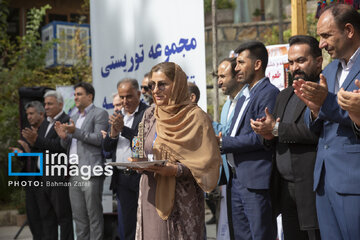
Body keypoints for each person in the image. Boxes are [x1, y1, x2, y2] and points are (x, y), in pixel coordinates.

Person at [292, 4, 360, 239]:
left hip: (353, 182)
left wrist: (327, 104)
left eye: (326, 35)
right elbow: (319, 127)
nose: (320, 44)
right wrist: (314, 111)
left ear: (349, 30)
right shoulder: (329, 72)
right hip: (323, 182)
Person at [132, 62, 221, 239]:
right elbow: (141, 148)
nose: (156, 90)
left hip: (182, 198)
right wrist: (137, 162)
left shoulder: (195, 117)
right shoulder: (150, 114)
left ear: (178, 84)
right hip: (151, 193)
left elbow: (208, 163)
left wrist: (176, 170)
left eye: (162, 84)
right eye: (152, 85)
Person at [251, 35, 322, 240]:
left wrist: (276, 129)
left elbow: (316, 132)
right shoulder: (284, 94)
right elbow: (275, 134)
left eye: (301, 60)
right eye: (291, 62)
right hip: (285, 189)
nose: (294, 67)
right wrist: (266, 132)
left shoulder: (323, 91)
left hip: (311, 189)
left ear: (318, 62)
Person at [219, 41, 279, 240]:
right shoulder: (245, 96)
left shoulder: (268, 93)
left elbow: (261, 137)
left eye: (240, 63)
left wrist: (223, 144)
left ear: (257, 65)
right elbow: (237, 134)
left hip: (255, 181)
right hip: (236, 179)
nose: (236, 68)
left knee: (260, 234)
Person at [55, 82, 108, 240]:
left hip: (90, 171)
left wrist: (75, 131)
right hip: (73, 173)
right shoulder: (74, 116)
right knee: (79, 218)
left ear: (89, 96)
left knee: (94, 217)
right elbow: (67, 144)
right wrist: (64, 137)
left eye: (79, 94)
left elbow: (99, 139)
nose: (75, 97)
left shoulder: (100, 113)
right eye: (75, 94)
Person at [22, 91, 74, 240]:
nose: (46, 107)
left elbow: (60, 146)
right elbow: (42, 147)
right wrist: (29, 148)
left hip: (58, 177)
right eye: (45, 104)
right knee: (47, 216)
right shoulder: (45, 123)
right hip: (43, 176)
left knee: (63, 217)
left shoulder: (66, 121)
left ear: (60, 104)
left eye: (50, 104)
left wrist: (37, 140)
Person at [103, 78, 148, 240]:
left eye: (129, 96)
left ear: (138, 94)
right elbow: (106, 147)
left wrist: (123, 129)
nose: (124, 101)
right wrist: (114, 134)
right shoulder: (117, 115)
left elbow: (143, 144)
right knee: (126, 224)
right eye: (122, 97)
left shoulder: (147, 114)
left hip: (141, 176)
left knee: (145, 223)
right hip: (121, 178)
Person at [212, 57, 246, 239]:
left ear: (237, 76)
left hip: (247, 175)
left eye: (223, 76)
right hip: (230, 177)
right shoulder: (227, 105)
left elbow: (233, 135)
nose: (219, 81)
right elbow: (224, 132)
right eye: (218, 77)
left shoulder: (247, 100)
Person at [10, 101, 45, 240]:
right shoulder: (27, 131)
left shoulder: (46, 130)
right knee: (33, 218)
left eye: (31, 114)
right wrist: (21, 154)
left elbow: (47, 154)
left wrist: (30, 149)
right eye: (27, 114)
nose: (29, 117)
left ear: (41, 114)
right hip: (30, 182)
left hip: (44, 181)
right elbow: (28, 158)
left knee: (45, 218)